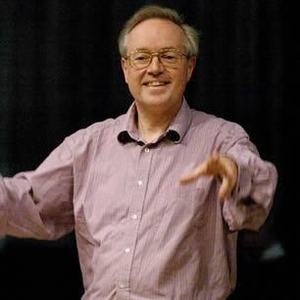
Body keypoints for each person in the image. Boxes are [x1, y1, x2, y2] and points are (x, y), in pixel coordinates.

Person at [0, 5, 277, 300]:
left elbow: (257, 199)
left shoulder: (222, 138)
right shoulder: (87, 146)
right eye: (142, 57)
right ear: (125, 68)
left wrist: (236, 175)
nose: (154, 68)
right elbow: (27, 202)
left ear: (190, 67)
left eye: (168, 56)